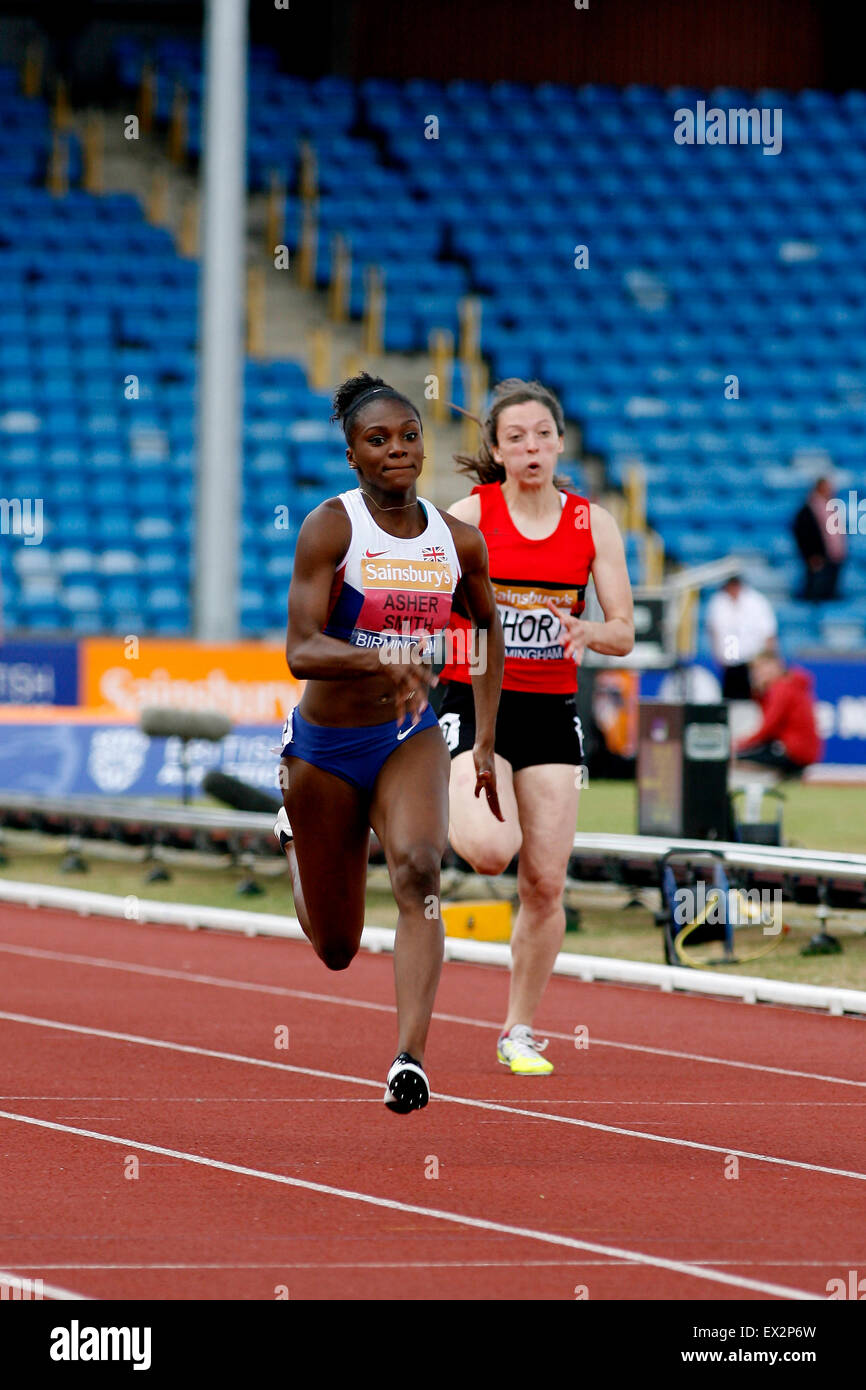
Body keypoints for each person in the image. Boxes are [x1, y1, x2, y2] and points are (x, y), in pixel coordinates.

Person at [274, 373, 504, 1113]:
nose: (398, 451)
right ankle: (289, 836)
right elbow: (301, 649)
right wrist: (383, 654)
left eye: (409, 436)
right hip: (325, 749)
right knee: (335, 947)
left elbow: (490, 633)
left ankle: (410, 1059)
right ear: (352, 455)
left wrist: (485, 741)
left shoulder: (456, 541)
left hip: (408, 734)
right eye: (379, 440)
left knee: (417, 872)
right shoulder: (331, 528)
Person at [437, 378, 634, 1075]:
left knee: (545, 882)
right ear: (496, 447)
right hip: (473, 702)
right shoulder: (470, 514)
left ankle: (517, 1030)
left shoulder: (591, 523)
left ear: (559, 444)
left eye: (542, 437)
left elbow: (625, 631)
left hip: (551, 709)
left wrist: (589, 631)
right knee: (493, 851)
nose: (531, 448)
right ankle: (422, 795)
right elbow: (421, 597)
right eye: (515, 438)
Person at [733, 650, 822, 777]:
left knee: (735, 760)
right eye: (755, 670)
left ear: (776, 666)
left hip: (792, 751)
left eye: (762, 667)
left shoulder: (781, 689)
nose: (758, 674)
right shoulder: (787, 686)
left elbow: (768, 726)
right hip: (799, 750)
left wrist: (740, 744)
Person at [705, 574, 777, 699]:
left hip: (753, 661)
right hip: (729, 662)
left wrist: (769, 659)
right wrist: (717, 655)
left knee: (754, 697)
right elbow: (714, 631)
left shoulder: (757, 602)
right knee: (730, 698)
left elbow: (768, 632)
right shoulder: (718, 602)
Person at [793, 476, 847, 601]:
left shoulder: (832, 507)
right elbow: (803, 534)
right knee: (816, 593)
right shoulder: (808, 510)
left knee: (830, 593)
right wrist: (811, 555)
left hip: (834, 559)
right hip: (818, 560)